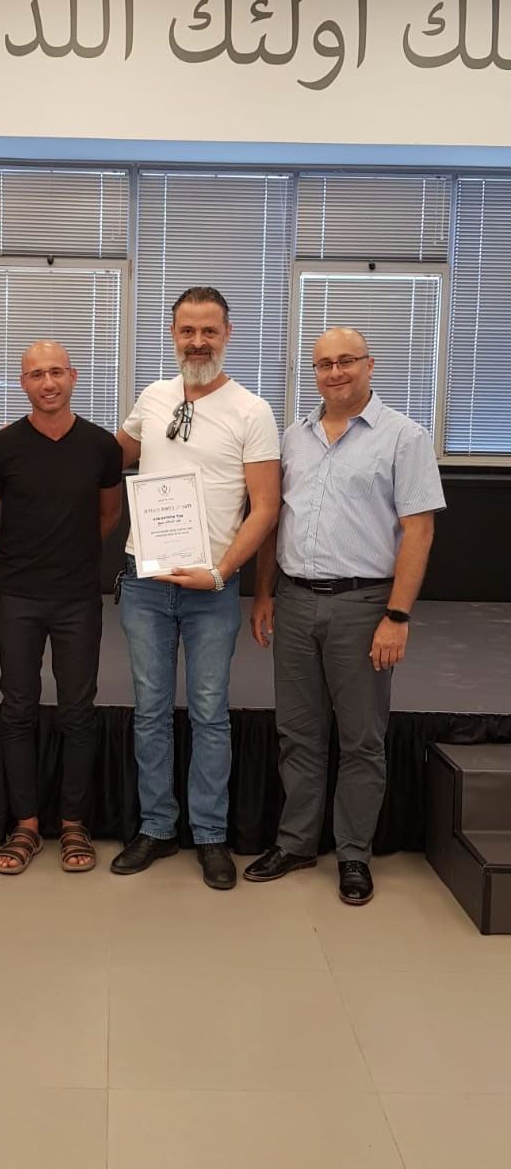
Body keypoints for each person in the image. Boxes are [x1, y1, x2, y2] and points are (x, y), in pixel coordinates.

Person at [246, 326, 446, 905]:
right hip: (294, 601)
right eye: (323, 364)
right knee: (297, 733)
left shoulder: (404, 437)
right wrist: (264, 594)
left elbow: (419, 531)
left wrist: (397, 616)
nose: (334, 372)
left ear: (369, 365)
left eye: (346, 361)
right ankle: (296, 843)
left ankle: (354, 853)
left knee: (361, 739)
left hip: (364, 605)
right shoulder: (294, 437)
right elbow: (273, 520)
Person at [111, 286, 281, 889]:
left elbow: (266, 507)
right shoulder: (153, 398)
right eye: (188, 330)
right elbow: (107, 458)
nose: (198, 341)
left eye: (209, 330)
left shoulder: (252, 411)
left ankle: (210, 835)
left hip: (213, 588)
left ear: (228, 334)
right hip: (146, 584)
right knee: (150, 712)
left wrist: (223, 572)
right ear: (173, 334)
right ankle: (157, 827)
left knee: (210, 714)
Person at [0, 340, 122, 874]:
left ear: (73, 376)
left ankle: (75, 824)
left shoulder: (102, 446)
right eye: (36, 374)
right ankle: (26, 826)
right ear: (23, 384)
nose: (48, 383)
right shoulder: (0, 448)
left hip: (78, 598)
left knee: (78, 711)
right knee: (18, 707)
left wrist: (71, 558)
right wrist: (16, 565)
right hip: (16, 597)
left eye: (56, 372)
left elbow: (109, 516)